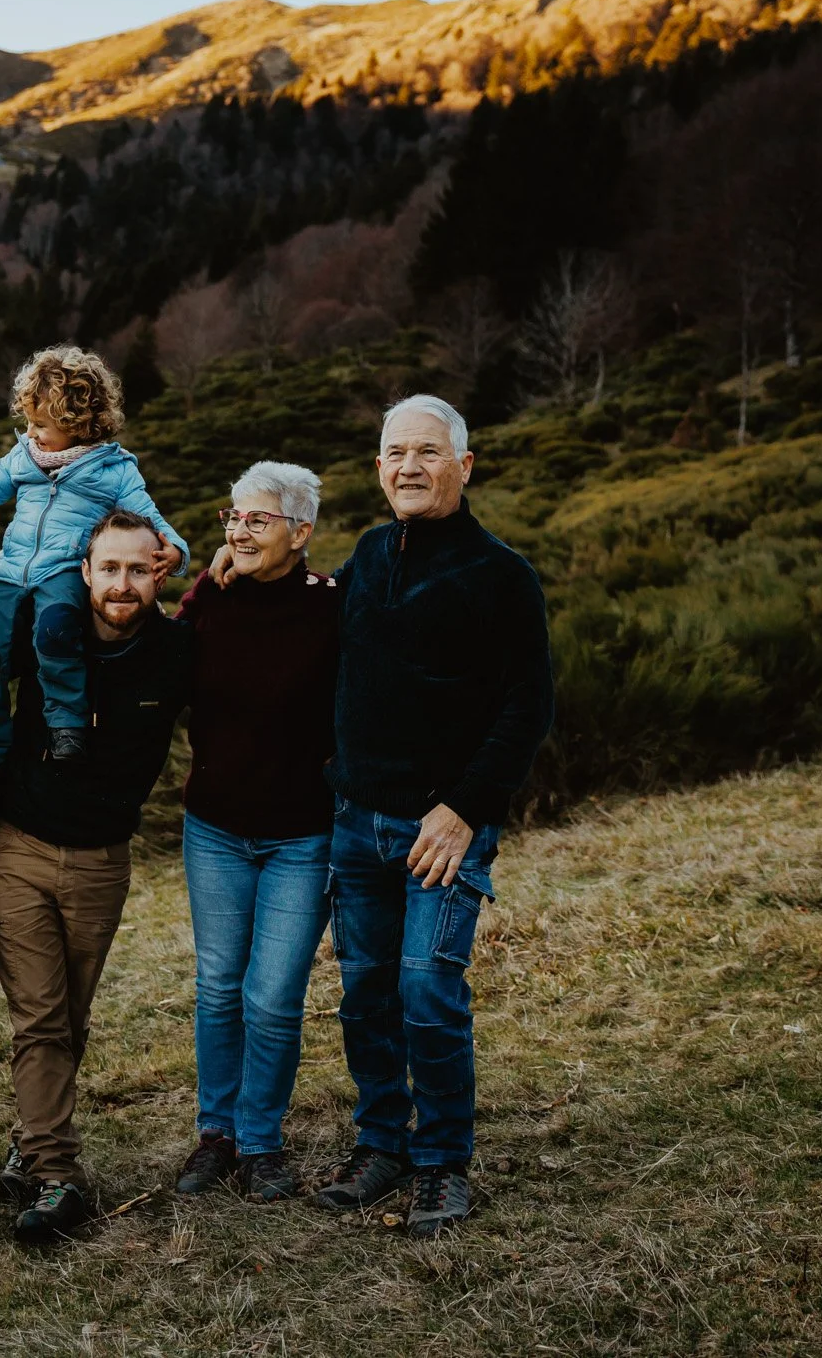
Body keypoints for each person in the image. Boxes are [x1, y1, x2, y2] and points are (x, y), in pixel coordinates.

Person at [310, 395, 552, 1238]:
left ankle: (443, 1161)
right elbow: (314, 635)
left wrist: (463, 808)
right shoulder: (371, 555)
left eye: (426, 451)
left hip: (442, 829)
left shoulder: (501, 574)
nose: (408, 466)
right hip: (356, 818)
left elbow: (528, 705)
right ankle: (383, 1145)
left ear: (464, 464)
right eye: (393, 453)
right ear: (378, 467)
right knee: (366, 992)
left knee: (425, 987)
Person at [0, 509, 194, 1243]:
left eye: (139, 569)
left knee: (68, 1016)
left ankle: (31, 1135)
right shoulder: (47, 630)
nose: (123, 583)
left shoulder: (175, 652)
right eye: (109, 568)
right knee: (39, 1015)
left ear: (158, 572)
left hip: (105, 860)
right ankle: (57, 1174)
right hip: (20, 847)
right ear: (86, 571)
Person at [0, 346, 189, 801]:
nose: (31, 432)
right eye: (29, 422)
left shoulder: (114, 471)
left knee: (56, 635)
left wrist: (175, 550)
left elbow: (151, 520)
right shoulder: (24, 458)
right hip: (10, 573)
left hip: (60, 573)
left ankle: (66, 726)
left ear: (78, 424)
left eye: (41, 425)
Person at [170, 461, 341, 1204]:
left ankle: (261, 1141)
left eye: (257, 519)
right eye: (233, 516)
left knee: (272, 996)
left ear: (300, 533)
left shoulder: (332, 607)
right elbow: (169, 666)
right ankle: (217, 1135)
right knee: (218, 986)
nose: (239, 529)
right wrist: (205, 584)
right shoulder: (213, 600)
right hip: (215, 827)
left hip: (303, 835)